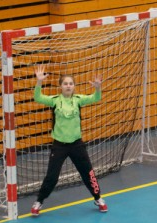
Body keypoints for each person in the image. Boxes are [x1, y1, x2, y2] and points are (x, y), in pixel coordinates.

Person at [31, 64, 108, 216]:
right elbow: (37, 97)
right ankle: (39, 201)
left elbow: (96, 97)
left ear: (74, 86)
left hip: (76, 145)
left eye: (71, 84)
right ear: (60, 86)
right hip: (59, 145)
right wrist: (39, 82)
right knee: (52, 177)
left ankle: (98, 198)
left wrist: (98, 87)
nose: (68, 86)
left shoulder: (78, 100)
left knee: (88, 173)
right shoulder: (54, 100)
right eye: (65, 83)